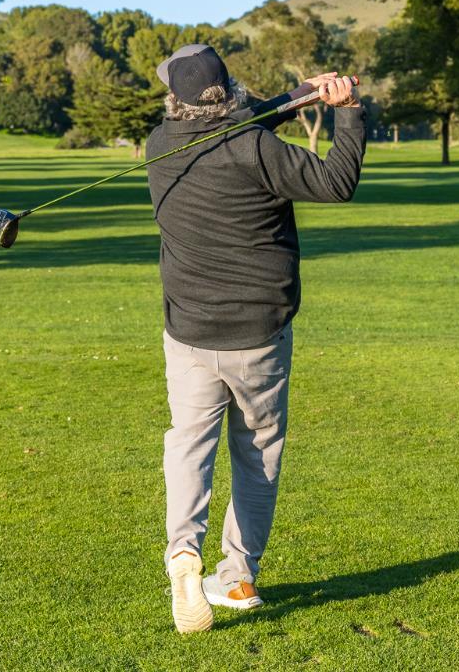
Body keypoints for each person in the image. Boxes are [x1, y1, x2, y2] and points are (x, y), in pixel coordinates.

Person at [145, 44, 365, 634]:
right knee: (257, 451)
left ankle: (183, 553)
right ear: (229, 87)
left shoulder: (162, 145)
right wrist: (348, 110)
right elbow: (336, 181)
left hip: (189, 330)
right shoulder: (257, 150)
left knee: (190, 443)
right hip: (259, 334)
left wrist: (300, 96)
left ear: (176, 100)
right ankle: (238, 576)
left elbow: (236, 128)